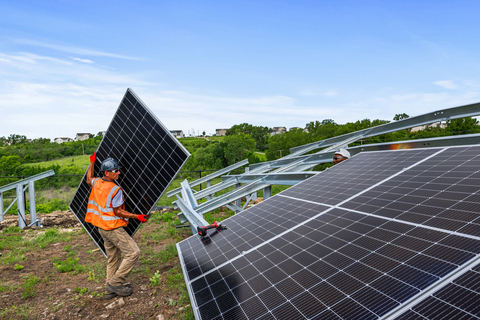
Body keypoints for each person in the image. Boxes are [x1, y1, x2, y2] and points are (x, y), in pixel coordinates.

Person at [85, 152, 149, 298]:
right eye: (115, 171)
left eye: (118, 170)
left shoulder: (97, 182)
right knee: (133, 252)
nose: (118, 173)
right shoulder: (115, 190)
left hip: (101, 228)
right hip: (112, 228)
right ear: (106, 173)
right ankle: (114, 283)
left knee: (113, 258)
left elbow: (89, 178)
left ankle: (109, 290)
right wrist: (137, 216)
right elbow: (118, 212)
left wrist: (92, 163)